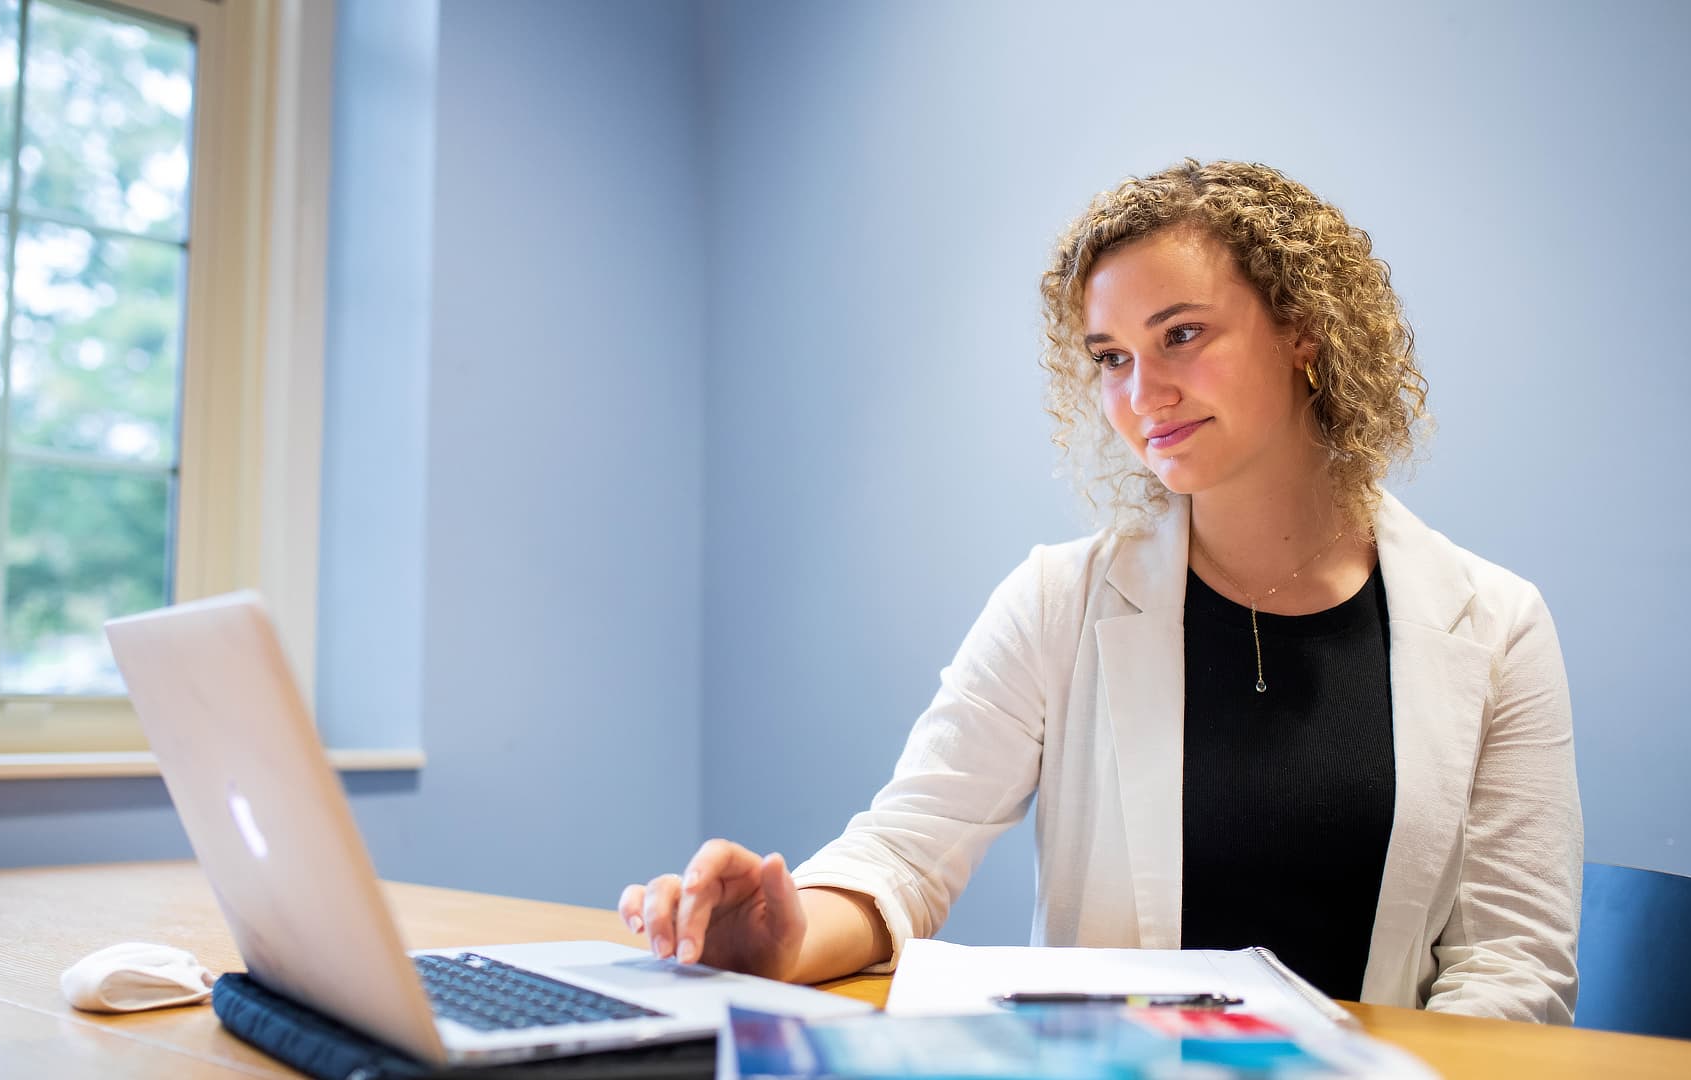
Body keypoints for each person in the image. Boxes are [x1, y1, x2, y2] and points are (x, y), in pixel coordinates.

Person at [617, 160, 1582, 1023]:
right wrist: (780, 939)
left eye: (1183, 335)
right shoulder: (1057, 600)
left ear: (1305, 334)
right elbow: (907, 852)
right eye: (1111, 357)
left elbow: (1513, 971)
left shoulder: (1495, 626)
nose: (1141, 393)